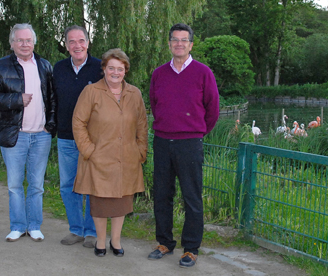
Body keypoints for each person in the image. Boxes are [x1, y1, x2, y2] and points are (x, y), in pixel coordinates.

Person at [148, 23, 219, 268]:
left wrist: (195, 132)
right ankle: (165, 242)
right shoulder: (159, 73)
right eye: (175, 39)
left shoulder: (203, 72)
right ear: (169, 43)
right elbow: (155, 105)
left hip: (189, 143)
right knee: (162, 195)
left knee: (191, 197)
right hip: (162, 141)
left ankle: (191, 248)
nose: (179, 43)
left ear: (190, 44)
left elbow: (212, 110)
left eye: (184, 40)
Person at [72, 48, 148, 257]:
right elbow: (78, 122)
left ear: (126, 71)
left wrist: (141, 150)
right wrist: (89, 150)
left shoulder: (135, 93)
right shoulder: (91, 92)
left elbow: (142, 124)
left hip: (127, 159)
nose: (116, 72)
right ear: (104, 68)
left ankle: (116, 240)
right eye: (111, 68)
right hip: (99, 159)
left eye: (120, 69)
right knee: (100, 203)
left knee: (121, 202)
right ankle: (101, 241)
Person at [0, 23, 56, 242]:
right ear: (12, 43)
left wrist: (50, 125)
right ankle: (17, 226)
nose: (24, 44)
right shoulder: (0, 66)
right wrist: (18, 99)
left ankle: (34, 225)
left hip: (41, 135)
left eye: (28, 40)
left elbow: (53, 99)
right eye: (20, 40)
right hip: (14, 134)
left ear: (34, 42)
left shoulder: (44, 65)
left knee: (36, 185)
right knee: (15, 185)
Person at [53, 25, 101, 248]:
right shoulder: (59, 69)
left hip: (93, 139)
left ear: (88, 42)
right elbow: (52, 100)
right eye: (71, 42)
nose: (77, 45)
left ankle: (92, 231)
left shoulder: (100, 68)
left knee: (92, 186)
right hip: (65, 136)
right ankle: (76, 229)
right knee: (68, 185)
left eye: (81, 40)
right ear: (66, 45)